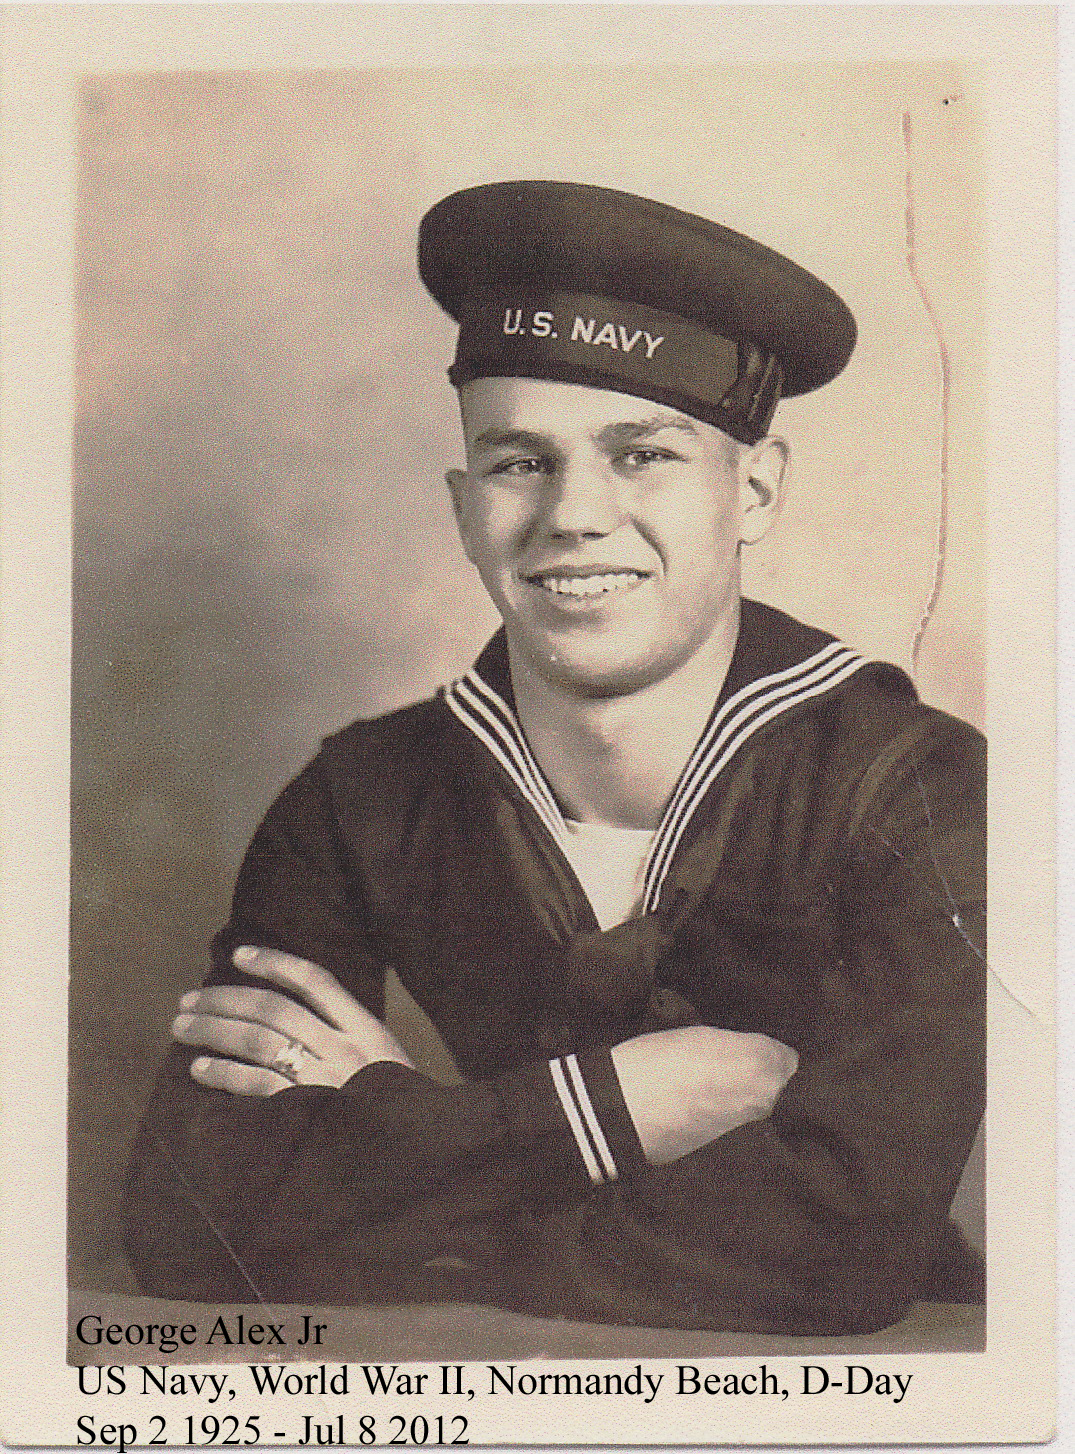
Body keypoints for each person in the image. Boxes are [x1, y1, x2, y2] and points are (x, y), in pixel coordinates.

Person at [124, 181, 985, 1335]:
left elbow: (846, 1249)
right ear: (462, 507)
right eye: (518, 461)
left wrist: (399, 1139)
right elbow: (189, 1219)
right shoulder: (359, 797)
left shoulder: (916, 788)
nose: (574, 514)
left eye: (642, 453)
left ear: (755, 489)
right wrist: (611, 1105)